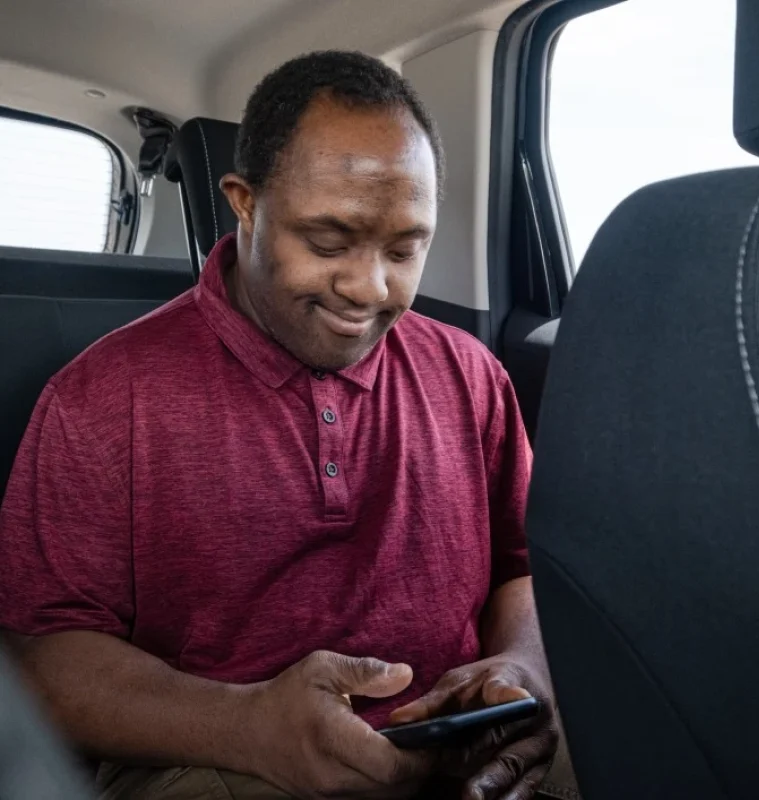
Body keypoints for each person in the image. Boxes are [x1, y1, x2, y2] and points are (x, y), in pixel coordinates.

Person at [0, 51, 572, 799]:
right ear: (244, 203)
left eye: (405, 248)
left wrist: (525, 668)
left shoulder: (470, 375)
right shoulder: (100, 400)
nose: (370, 289)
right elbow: (42, 658)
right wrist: (245, 724)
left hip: (461, 745)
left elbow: (522, 567)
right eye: (329, 242)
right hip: (213, 754)